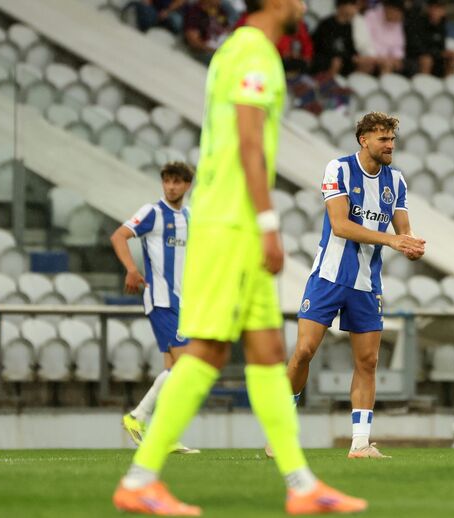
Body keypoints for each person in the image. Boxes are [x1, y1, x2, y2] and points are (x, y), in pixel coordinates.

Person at [112, 0, 368, 514]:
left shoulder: (236, 49)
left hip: (233, 222)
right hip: (231, 224)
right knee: (206, 352)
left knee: (268, 355)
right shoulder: (255, 52)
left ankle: (301, 485)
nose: (303, 5)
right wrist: (269, 223)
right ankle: (140, 480)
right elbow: (250, 142)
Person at [285, 111, 426, 459]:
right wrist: (392, 242)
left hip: (366, 284)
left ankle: (360, 444)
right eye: (383, 139)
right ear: (364, 140)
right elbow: (340, 225)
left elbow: (402, 229)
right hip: (328, 277)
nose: (390, 145)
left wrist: (409, 243)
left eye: (392, 139)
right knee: (304, 351)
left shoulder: (397, 181)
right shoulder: (340, 169)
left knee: (368, 361)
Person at [112, 162, 199, 455]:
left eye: (177, 182)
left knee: (174, 371)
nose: (171, 187)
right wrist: (131, 269)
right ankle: (137, 417)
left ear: (187, 185)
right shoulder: (152, 212)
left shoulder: (189, 216)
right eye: (167, 181)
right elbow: (119, 235)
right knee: (187, 368)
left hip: (182, 302)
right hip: (161, 300)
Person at [311, 0, 375, 76]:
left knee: (367, 64)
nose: (355, 9)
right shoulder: (326, 24)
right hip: (325, 59)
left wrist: (358, 58)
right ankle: (327, 84)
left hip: (345, 60)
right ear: (342, 6)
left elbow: (350, 48)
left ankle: (353, 84)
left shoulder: (349, 27)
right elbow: (325, 48)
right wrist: (352, 58)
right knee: (336, 62)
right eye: (353, 6)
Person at [404, 0, 454, 77]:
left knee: (453, 57)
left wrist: (445, 53)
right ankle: (424, 86)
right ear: (428, 9)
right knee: (426, 60)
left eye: (440, 9)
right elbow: (415, 48)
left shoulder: (441, 27)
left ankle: (449, 85)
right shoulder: (417, 24)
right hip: (416, 58)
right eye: (435, 8)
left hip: (435, 58)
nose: (437, 12)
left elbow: (441, 47)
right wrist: (438, 53)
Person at [362, 0, 406, 74]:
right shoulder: (370, 16)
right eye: (396, 14)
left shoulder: (397, 22)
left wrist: (397, 58)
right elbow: (366, 41)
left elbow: (398, 45)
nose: (398, 18)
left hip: (388, 59)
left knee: (398, 65)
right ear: (389, 9)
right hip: (370, 55)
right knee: (383, 64)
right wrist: (379, 57)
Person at [183, 0, 233, 64]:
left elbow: (228, 30)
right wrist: (213, 50)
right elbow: (193, 41)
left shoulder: (221, 12)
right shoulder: (195, 13)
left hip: (221, 47)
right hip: (203, 51)